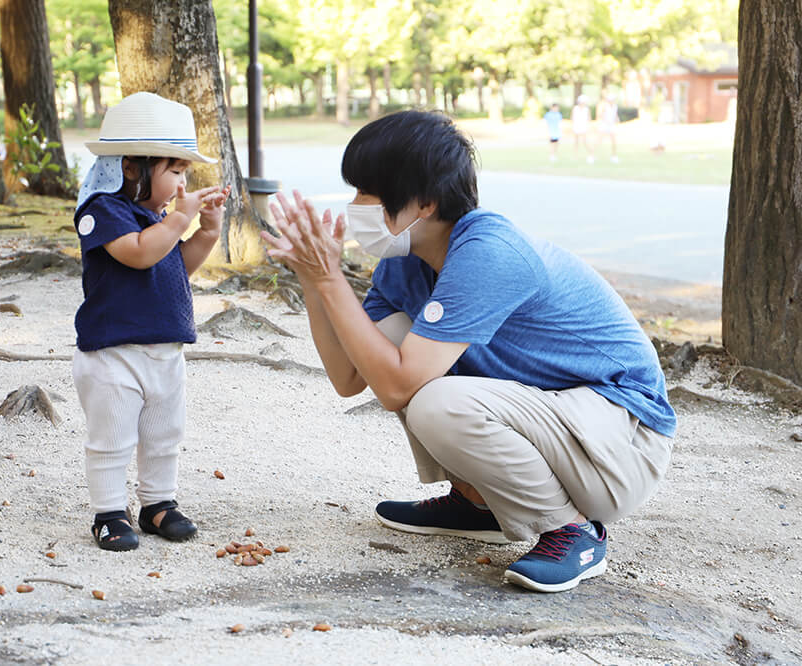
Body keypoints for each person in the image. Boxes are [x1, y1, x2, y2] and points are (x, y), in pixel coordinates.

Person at [262, 110, 674, 592]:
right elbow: (349, 377)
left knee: (434, 399)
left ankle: (572, 530)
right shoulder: (405, 264)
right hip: (561, 427)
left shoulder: (488, 252)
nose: (355, 206)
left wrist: (333, 278)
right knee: (393, 342)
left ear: (427, 204)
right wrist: (315, 282)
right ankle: (479, 503)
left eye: (366, 193)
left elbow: (395, 387)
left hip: (621, 443)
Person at [71, 92, 230, 551]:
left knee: (164, 434)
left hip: (165, 350)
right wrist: (180, 218)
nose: (183, 182)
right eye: (175, 171)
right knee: (113, 438)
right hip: (113, 354)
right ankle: (108, 513)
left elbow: (176, 264)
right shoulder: (102, 212)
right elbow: (139, 254)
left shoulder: (156, 216)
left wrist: (207, 231)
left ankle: (158, 503)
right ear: (131, 167)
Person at [596, 93, 620, 163]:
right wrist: (605, 121)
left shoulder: (615, 106)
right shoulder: (605, 106)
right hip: (604, 125)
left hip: (611, 125)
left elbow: (615, 115)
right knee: (599, 140)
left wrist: (617, 119)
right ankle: (592, 155)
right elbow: (600, 115)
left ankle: (614, 156)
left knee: (614, 141)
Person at [571, 94, 593, 163]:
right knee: (576, 142)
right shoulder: (575, 108)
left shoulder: (586, 109)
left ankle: (591, 154)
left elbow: (589, 118)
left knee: (585, 142)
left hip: (583, 127)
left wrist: (588, 126)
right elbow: (572, 117)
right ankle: (575, 156)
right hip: (576, 126)